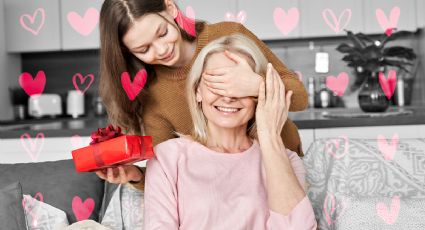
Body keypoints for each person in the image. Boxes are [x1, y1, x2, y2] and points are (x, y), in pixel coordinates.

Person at [96, 0, 307, 188]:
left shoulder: (229, 35)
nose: (161, 50)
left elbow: (300, 98)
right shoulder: (153, 94)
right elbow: (166, 173)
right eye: (144, 49)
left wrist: (256, 85)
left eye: (162, 33)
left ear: (170, 8)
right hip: (230, 190)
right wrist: (135, 176)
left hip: (287, 169)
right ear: (127, 51)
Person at [143, 34, 317, 229]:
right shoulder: (167, 158)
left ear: (258, 94)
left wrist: (269, 136)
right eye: (217, 83)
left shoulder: (288, 161)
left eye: (240, 86)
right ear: (197, 91)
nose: (228, 97)